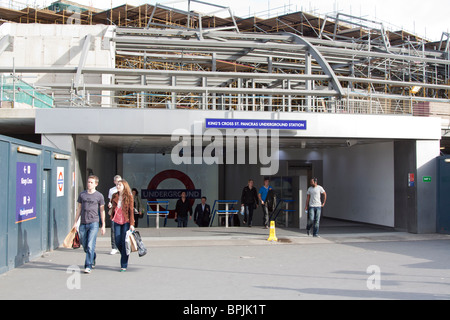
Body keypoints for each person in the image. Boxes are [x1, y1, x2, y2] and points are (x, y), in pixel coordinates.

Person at [73, 175, 106, 274]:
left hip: (94, 223)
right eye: (88, 182)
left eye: (91, 182)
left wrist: (103, 225)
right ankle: (93, 256)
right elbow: (79, 208)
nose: (89, 184)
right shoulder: (82, 195)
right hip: (83, 223)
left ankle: (88, 265)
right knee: (85, 245)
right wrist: (75, 222)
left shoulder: (99, 196)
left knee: (91, 245)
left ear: (96, 184)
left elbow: (102, 210)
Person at [110, 179, 135, 272]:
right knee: (117, 241)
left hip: (126, 221)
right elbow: (112, 206)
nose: (118, 186)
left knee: (124, 242)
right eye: (117, 185)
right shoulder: (114, 195)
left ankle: (123, 264)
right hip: (116, 220)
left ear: (124, 186)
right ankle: (124, 254)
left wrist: (132, 224)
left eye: (120, 185)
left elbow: (131, 211)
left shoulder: (129, 196)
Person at [107, 175, 121, 255]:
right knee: (113, 230)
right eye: (117, 181)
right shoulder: (112, 190)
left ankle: (122, 246)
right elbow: (110, 201)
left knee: (123, 230)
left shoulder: (125, 190)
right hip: (114, 212)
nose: (118, 183)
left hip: (122, 213)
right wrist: (110, 204)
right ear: (114, 182)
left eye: (120, 181)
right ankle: (114, 247)